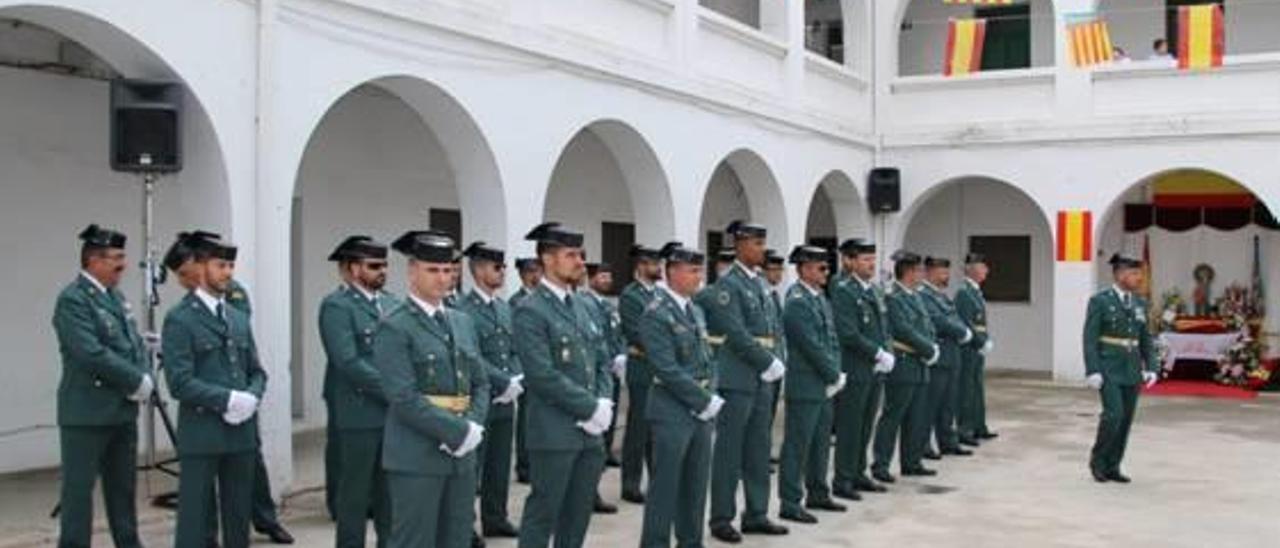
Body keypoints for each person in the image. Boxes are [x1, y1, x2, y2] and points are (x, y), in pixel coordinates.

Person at [166, 231, 295, 546]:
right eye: (219, 265)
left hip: (241, 433)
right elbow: (180, 382)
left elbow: (257, 370)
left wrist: (252, 395)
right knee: (195, 519)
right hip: (203, 432)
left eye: (230, 266)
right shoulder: (180, 319)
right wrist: (228, 399)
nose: (227, 273)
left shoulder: (237, 317)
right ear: (199, 267)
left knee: (238, 518)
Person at [373, 230, 490, 547]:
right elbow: (403, 397)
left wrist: (473, 427)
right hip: (416, 456)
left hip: (462, 455)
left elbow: (480, 381)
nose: (443, 278)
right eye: (433, 270)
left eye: (448, 270)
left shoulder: (461, 321)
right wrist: (455, 432)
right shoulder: (394, 326)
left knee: (457, 538)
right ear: (412, 271)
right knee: (415, 540)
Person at [513, 222, 615, 548]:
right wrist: (589, 407)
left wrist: (604, 401)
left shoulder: (585, 305)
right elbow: (541, 374)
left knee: (578, 513)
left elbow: (602, 358)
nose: (580, 262)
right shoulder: (531, 309)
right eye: (571, 255)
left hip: (591, 431)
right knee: (544, 512)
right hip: (554, 431)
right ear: (547, 259)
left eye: (580, 255)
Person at [52, 224, 150, 548]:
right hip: (87, 413)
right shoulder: (73, 300)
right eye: (116, 258)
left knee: (123, 490)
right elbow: (90, 353)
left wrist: (143, 376)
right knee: (78, 494)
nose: (122, 264)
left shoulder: (115, 297)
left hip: (121, 410)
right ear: (94, 260)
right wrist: (136, 380)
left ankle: (129, 543)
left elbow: (133, 344)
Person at [700, 221, 789, 543]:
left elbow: (772, 329)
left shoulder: (759, 285)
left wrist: (777, 359)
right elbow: (734, 332)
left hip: (761, 378)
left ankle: (756, 513)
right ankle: (722, 517)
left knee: (758, 449)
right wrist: (768, 361)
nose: (761, 250)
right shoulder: (730, 285)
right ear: (739, 246)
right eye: (755, 244)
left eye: (762, 244)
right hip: (738, 376)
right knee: (729, 451)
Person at [637, 242, 722, 547]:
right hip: (671, 412)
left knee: (696, 487)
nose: (699, 276)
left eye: (700, 269)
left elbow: (707, 357)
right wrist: (703, 400)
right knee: (666, 489)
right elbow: (666, 368)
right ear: (671, 272)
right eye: (693, 270)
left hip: (700, 413)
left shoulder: (695, 309)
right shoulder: (656, 313)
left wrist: (710, 392)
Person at [318, 236, 395, 548]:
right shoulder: (337, 306)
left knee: (389, 491)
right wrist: (394, 388)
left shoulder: (391, 303)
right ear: (351, 269)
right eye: (374, 266)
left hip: (392, 412)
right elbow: (347, 361)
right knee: (354, 493)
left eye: (385, 265)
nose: (382, 271)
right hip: (358, 412)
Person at [457, 241, 523, 539]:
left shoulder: (503, 307)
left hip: (506, 398)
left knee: (499, 463)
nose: (502, 272)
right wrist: (502, 381)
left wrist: (516, 379)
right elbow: (472, 356)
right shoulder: (463, 309)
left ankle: (495, 517)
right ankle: (466, 525)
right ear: (479, 269)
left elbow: (514, 348)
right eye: (497, 267)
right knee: (473, 467)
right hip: (479, 397)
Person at [776, 245, 847, 525]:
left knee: (820, 443)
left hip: (823, 384)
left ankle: (818, 492)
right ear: (804, 269)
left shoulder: (818, 298)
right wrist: (833, 373)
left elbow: (831, 340)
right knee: (798, 444)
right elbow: (810, 345)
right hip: (806, 384)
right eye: (821, 268)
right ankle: (790, 502)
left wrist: (836, 373)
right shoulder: (797, 301)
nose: (826, 272)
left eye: (827, 267)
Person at [1084, 253, 1159, 484]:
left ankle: (1113, 465)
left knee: (1125, 419)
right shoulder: (1100, 301)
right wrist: (1092, 369)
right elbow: (1089, 338)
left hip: (1132, 368)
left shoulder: (1139, 303)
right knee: (1113, 415)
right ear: (1119, 274)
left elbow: (1145, 337)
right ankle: (1098, 462)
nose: (1138, 278)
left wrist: (1152, 367)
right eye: (1134, 273)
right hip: (1108, 367)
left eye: (1139, 273)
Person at [830, 238, 893, 499]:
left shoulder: (874, 291)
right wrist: (877, 352)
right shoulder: (844, 290)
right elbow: (848, 333)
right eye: (865, 259)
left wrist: (884, 351)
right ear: (851, 261)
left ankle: (858, 472)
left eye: (872, 259)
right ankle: (843, 478)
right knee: (850, 425)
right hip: (855, 367)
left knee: (867, 423)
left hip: (874, 368)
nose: (870, 264)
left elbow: (883, 326)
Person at [870, 250, 938, 484]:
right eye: (918, 270)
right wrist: (928, 349)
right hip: (904, 363)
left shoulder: (915, 296)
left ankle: (912, 461)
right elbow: (902, 329)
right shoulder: (894, 297)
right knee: (894, 416)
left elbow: (926, 326)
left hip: (919, 364)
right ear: (909, 272)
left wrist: (931, 347)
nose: (921, 274)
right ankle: (880, 464)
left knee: (916, 416)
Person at [618, 244, 664, 504]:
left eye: (658, 263)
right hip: (642, 368)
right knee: (637, 429)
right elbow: (637, 333)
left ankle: (656, 479)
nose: (658, 268)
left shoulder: (659, 294)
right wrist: (666, 347)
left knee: (655, 430)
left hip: (659, 369)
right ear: (640, 266)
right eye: (652, 264)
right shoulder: (631, 296)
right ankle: (630, 484)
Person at [916, 257, 974, 461]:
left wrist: (962, 330)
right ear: (929, 273)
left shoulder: (941, 296)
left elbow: (954, 317)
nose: (946, 276)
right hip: (939, 356)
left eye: (947, 272)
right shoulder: (924, 295)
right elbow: (939, 320)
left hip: (952, 355)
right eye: (942, 273)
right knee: (931, 405)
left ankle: (948, 441)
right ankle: (923, 444)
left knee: (949, 403)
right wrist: (962, 332)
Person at [955, 253, 997, 446]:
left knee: (977, 388)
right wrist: (981, 342)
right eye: (982, 267)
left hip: (977, 346)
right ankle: (965, 429)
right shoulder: (964, 293)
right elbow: (966, 322)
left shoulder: (976, 292)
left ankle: (979, 426)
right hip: (969, 347)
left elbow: (981, 323)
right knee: (967, 389)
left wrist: (985, 339)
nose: (986, 271)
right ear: (971, 269)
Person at [511, 256, 541, 484]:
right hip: (525, 370)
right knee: (525, 421)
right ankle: (524, 465)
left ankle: (536, 461)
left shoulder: (542, 300)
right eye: (531, 271)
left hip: (542, 370)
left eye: (538, 270)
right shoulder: (516, 302)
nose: (536, 275)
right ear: (522, 275)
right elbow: (515, 341)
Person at [761, 250, 787, 466]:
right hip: (764, 363)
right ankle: (756, 456)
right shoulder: (762, 295)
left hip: (777, 361)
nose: (778, 274)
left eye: (780, 269)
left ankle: (764, 451)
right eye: (774, 269)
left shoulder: (775, 295)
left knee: (769, 413)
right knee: (760, 415)